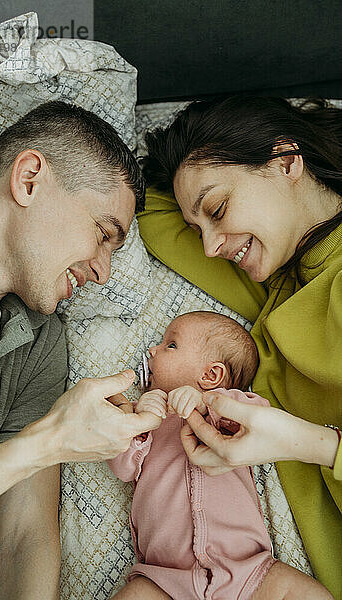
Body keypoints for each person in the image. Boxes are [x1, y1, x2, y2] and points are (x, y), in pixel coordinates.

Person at [0, 100, 162, 600]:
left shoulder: (39, 341)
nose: (103, 272)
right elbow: (36, 451)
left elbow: (23, 539)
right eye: (104, 234)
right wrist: (48, 441)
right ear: (29, 180)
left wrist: (48, 441)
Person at [136, 96, 342, 599]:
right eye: (198, 228)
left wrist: (305, 442)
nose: (210, 247)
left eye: (218, 209)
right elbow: (150, 212)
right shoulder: (275, 292)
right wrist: (187, 167)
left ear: (287, 161)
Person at [107, 311, 333, 600]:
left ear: (211, 375)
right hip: (163, 579)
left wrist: (207, 404)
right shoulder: (149, 415)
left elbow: (259, 415)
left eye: (170, 345)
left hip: (249, 572)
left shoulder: (232, 410)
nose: (152, 350)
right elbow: (123, 468)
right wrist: (135, 423)